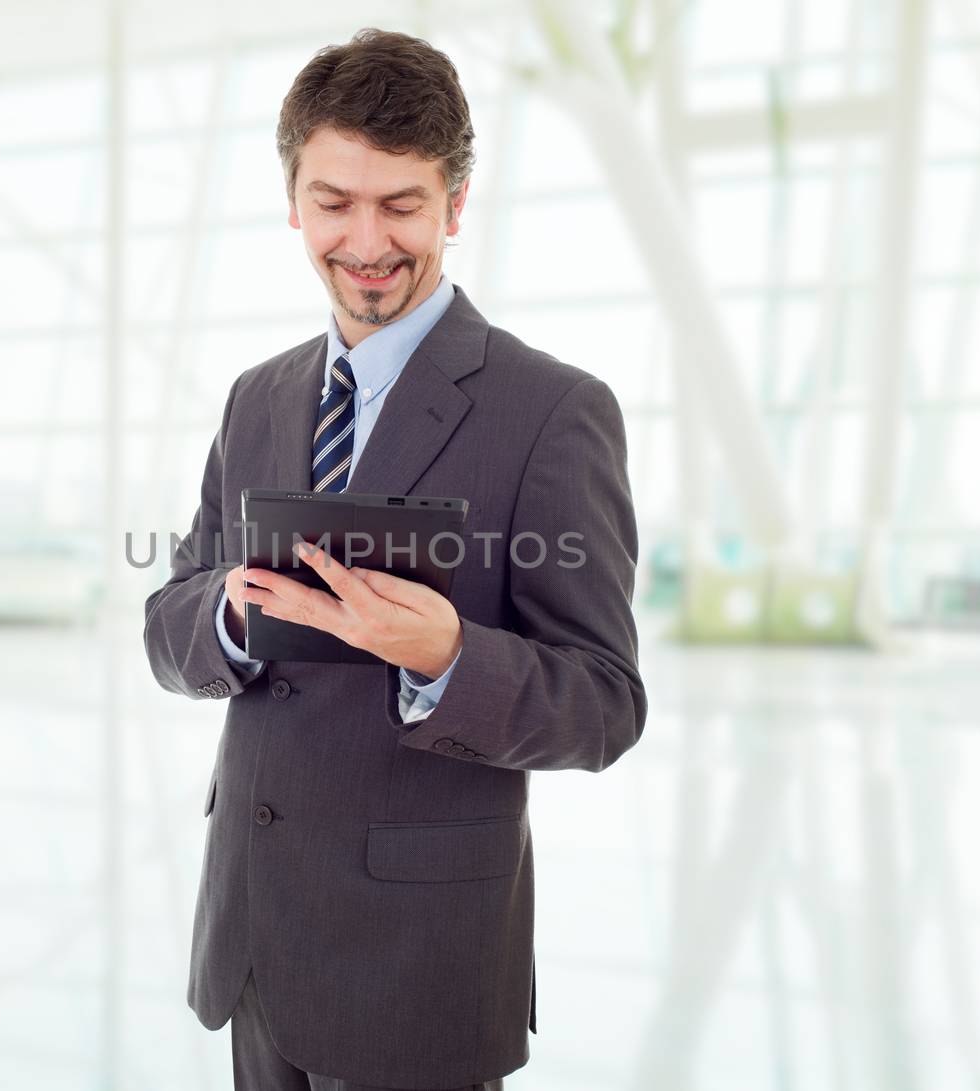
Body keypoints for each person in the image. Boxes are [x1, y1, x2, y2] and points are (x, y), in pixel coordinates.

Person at [142, 27, 646, 1091]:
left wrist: (448, 656)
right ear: (292, 201)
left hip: (417, 963)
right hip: (254, 940)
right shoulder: (258, 395)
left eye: (402, 206)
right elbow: (168, 617)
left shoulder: (553, 411)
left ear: (456, 206)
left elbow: (604, 702)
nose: (365, 240)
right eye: (333, 202)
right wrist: (230, 615)